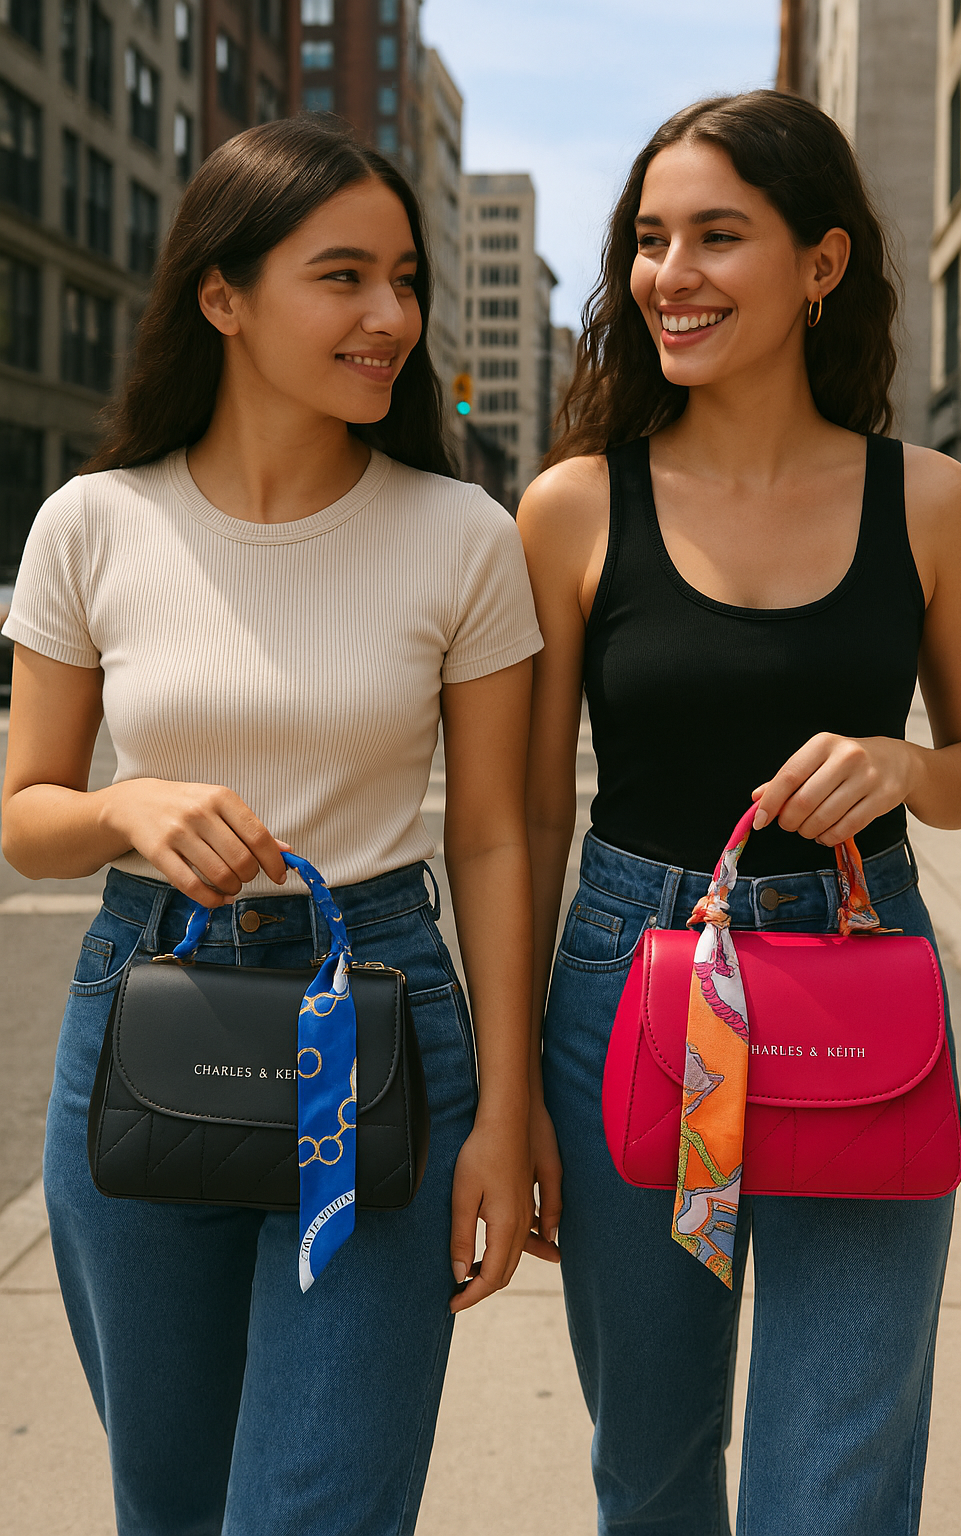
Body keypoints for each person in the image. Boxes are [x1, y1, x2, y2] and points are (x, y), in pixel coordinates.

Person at [1, 117, 549, 1536]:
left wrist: (504, 1107)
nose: (391, 317)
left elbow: (492, 836)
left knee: (313, 1512)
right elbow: (28, 817)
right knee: (168, 1506)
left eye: (406, 279)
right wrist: (125, 800)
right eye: (345, 276)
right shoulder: (91, 523)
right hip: (146, 1007)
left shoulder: (461, 535)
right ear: (223, 295)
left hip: (371, 1020)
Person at [519, 91, 961, 1536]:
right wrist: (509, 1090)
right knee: (654, 1466)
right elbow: (532, 813)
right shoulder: (570, 508)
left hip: (860, 979)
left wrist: (907, 766)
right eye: (650, 240)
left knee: (833, 1484)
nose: (671, 274)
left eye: (719, 235)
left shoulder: (930, 501)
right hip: (632, 985)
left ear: (821, 265)